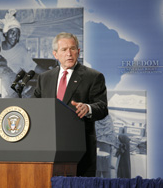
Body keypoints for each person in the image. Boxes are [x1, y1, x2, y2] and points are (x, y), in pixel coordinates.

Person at [33, 32, 108, 177]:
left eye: (73, 49)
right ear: (55, 54)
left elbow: (102, 107)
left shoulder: (93, 77)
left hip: (79, 151)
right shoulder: (44, 78)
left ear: (78, 52)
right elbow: (35, 107)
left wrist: (88, 108)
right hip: (47, 150)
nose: (69, 53)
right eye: (64, 49)